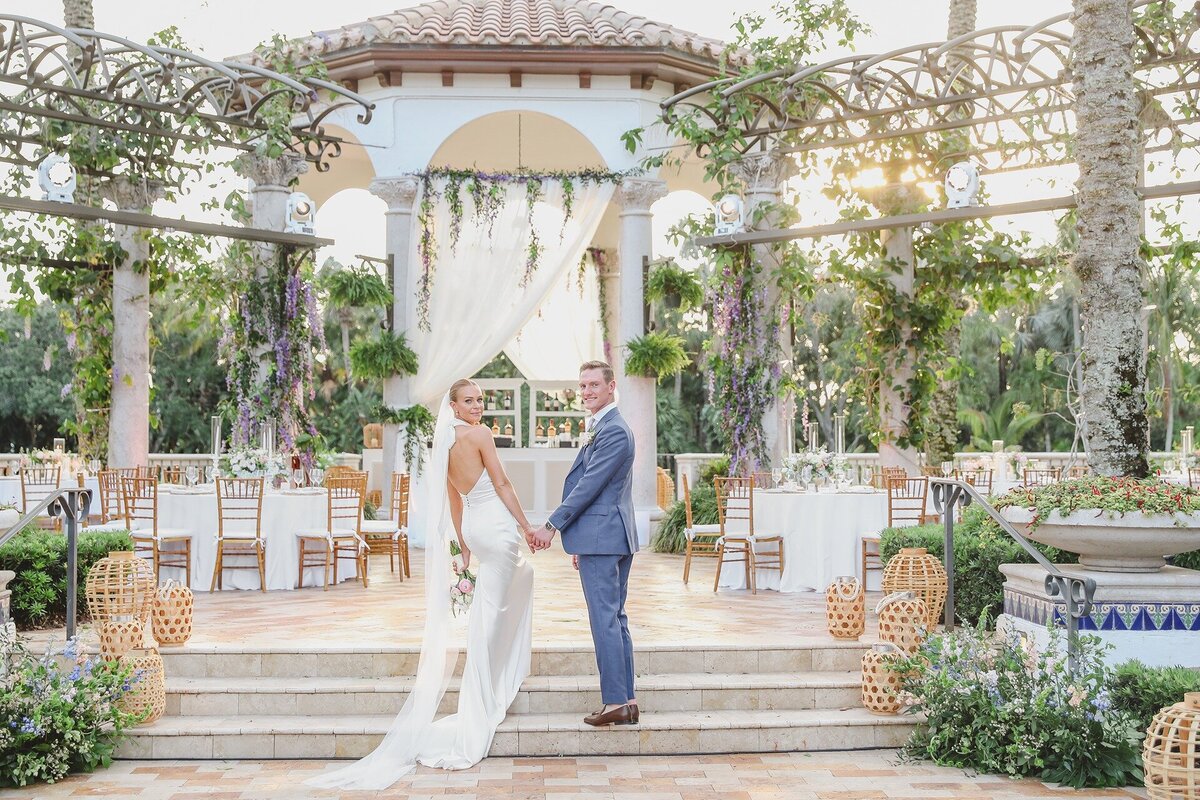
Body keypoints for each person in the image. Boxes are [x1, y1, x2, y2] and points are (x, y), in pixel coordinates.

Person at [306, 378, 538, 790]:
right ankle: (487, 688)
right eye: (469, 401)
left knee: (508, 589)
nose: (477, 406)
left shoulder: (444, 443)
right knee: (504, 596)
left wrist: (464, 543)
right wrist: (527, 525)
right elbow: (502, 484)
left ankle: (493, 675)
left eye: (480, 400)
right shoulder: (481, 435)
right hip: (496, 526)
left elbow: (453, 497)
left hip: (476, 525)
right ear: (454, 405)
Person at [530, 360, 638, 727]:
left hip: (604, 537)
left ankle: (615, 702)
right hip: (604, 535)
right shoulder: (605, 426)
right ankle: (627, 700)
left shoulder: (614, 430)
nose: (586, 391)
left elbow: (589, 485)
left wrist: (552, 526)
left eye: (593, 384)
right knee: (615, 618)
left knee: (605, 619)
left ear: (611, 387)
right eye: (583, 386)